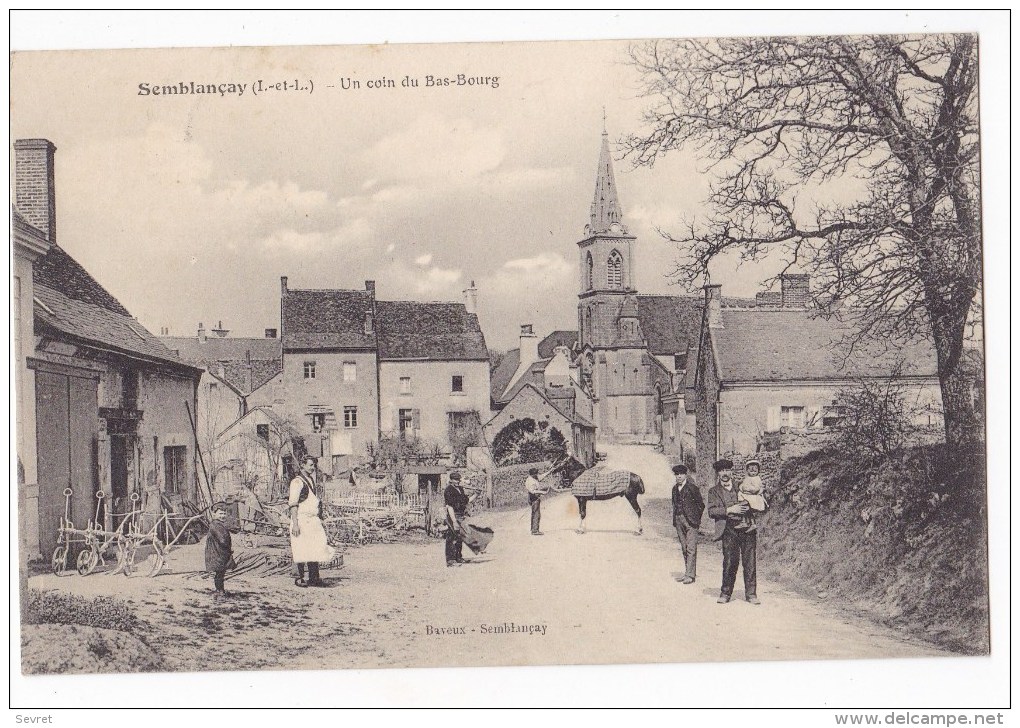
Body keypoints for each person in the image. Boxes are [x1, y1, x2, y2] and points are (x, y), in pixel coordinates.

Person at [707, 458, 760, 605]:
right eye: (722, 471)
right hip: (728, 530)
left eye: (727, 470)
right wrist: (730, 510)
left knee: (750, 562)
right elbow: (711, 511)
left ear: (731, 472)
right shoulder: (713, 491)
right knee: (730, 561)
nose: (725, 473)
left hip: (747, 529)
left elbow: (755, 497)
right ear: (718, 473)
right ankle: (725, 593)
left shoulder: (741, 486)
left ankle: (751, 594)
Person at [288, 455, 335, 587]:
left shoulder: (310, 479)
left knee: (315, 547)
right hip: (301, 519)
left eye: (314, 465)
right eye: (310, 465)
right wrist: (295, 524)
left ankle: (314, 577)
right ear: (302, 465)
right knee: (300, 548)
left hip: (312, 520)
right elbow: (293, 504)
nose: (312, 468)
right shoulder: (297, 482)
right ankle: (299, 577)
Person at [670, 464, 704, 585]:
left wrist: (695, 518)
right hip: (678, 520)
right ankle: (687, 573)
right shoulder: (674, 489)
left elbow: (701, 504)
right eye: (677, 474)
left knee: (691, 548)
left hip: (691, 521)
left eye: (681, 474)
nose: (679, 476)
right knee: (684, 547)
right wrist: (676, 518)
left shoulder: (692, 488)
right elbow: (674, 504)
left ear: (685, 475)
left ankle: (690, 575)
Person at [205, 501, 236, 596]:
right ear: (214, 514)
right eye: (220, 513)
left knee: (220, 573)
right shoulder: (216, 525)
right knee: (219, 572)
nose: (223, 516)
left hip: (219, 551)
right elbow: (222, 540)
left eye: (224, 513)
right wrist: (228, 546)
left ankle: (219, 590)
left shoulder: (219, 524)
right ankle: (220, 590)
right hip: (217, 552)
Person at [444, 471, 470, 567]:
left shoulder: (460, 489)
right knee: (451, 538)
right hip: (452, 515)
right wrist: (454, 521)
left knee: (459, 537)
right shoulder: (448, 490)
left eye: (458, 479)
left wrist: (476, 494)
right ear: (451, 480)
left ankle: (458, 557)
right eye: (456, 479)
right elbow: (449, 506)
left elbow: (466, 501)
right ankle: (450, 560)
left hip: (460, 515)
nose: (458, 481)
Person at [735, 459, 768, 533]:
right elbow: (743, 485)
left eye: (755, 471)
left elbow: (756, 489)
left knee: (747, 508)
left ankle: (748, 522)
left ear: (758, 471)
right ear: (747, 470)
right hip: (747, 496)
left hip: (753, 497)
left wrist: (748, 489)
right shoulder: (747, 478)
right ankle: (747, 522)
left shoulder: (757, 479)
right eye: (750, 471)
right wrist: (743, 488)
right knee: (746, 509)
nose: (753, 473)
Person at [524, 466, 553, 536]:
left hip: (535, 497)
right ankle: (535, 530)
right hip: (533, 497)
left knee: (535, 513)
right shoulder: (530, 481)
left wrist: (550, 471)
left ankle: (533, 528)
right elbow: (533, 491)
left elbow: (542, 476)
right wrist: (543, 492)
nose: (537, 475)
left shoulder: (534, 478)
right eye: (536, 474)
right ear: (532, 474)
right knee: (536, 513)